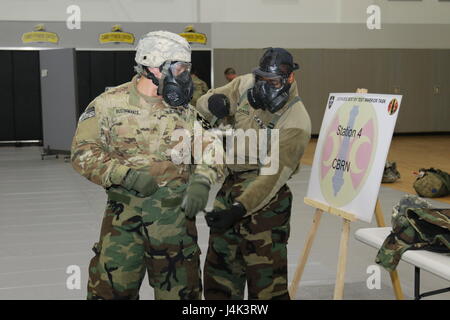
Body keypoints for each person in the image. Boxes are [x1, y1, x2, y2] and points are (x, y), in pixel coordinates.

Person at [71, 30, 222, 300]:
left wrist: (203, 179)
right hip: (122, 225)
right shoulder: (108, 105)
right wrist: (124, 175)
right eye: (180, 68)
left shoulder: (185, 112)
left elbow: (212, 148)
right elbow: (83, 153)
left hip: (174, 227)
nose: (186, 76)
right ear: (152, 64)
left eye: (187, 68)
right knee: (110, 293)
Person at [195, 47, 311, 300]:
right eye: (262, 80)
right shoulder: (246, 84)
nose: (265, 88)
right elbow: (204, 104)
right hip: (231, 184)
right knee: (220, 274)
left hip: (266, 200)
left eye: (274, 83)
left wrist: (238, 209)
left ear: (289, 78)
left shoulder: (297, 121)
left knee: (266, 282)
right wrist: (215, 103)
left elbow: (273, 177)